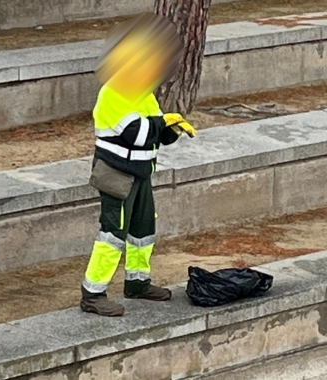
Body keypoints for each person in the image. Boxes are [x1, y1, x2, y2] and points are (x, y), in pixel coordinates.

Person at [80, 12, 197, 317]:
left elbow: (157, 134)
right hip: (117, 176)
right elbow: (139, 133)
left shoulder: (142, 94)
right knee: (112, 234)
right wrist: (162, 125)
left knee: (143, 231)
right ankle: (92, 294)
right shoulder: (113, 94)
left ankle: (137, 282)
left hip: (141, 175)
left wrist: (173, 129)